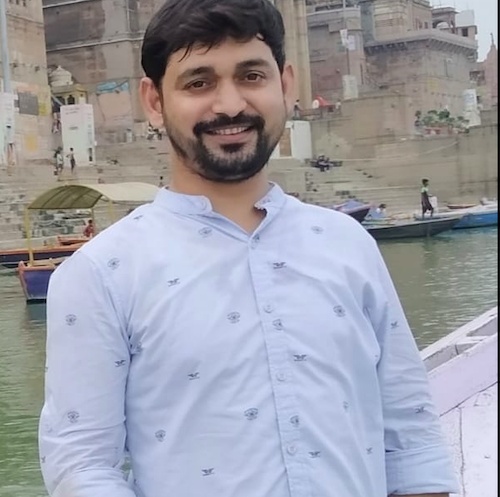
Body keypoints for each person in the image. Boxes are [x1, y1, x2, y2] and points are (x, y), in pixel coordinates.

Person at [39, 2, 458, 497]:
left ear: (285, 84)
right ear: (154, 101)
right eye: (199, 82)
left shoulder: (348, 244)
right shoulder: (101, 273)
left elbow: (411, 438)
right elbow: (82, 464)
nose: (230, 105)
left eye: (251, 76)